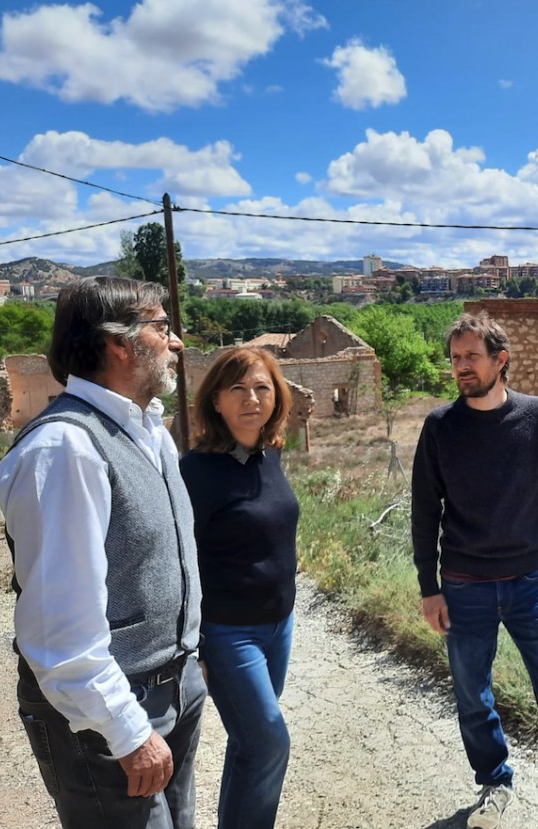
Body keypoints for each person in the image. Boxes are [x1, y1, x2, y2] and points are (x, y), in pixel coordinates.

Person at [0, 276, 205, 829]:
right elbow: (58, 632)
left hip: (173, 683)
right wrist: (128, 731)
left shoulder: (149, 430)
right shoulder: (64, 448)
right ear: (119, 343)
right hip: (111, 710)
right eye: (162, 327)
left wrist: (190, 654)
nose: (177, 341)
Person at [411, 312, 538, 829]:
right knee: (472, 697)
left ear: (500, 361)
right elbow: (424, 511)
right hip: (463, 586)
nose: (461, 366)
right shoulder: (440, 427)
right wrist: (429, 588)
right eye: (455, 357)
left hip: (530, 584)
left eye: (471, 357)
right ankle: (495, 786)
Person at [179, 346, 299, 829]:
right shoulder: (197, 472)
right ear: (216, 401)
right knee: (269, 740)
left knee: (250, 742)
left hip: (279, 625)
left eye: (262, 387)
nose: (252, 398)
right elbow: (183, 562)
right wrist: (198, 644)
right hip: (230, 633)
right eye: (239, 389)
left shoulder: (269, 456)